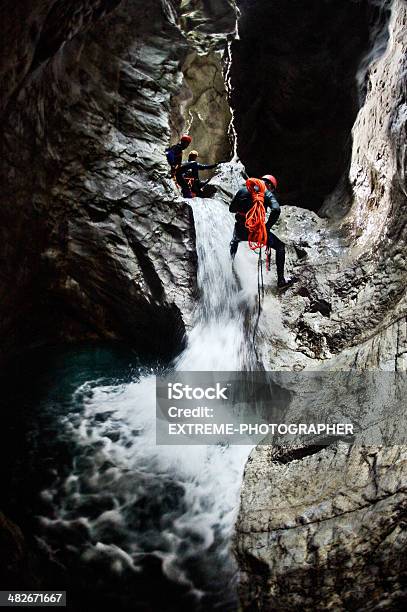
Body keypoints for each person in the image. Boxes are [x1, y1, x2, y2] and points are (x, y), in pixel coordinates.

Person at [229, 174, 294, 289]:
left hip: (241, 230)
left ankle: (228, 269)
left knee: (234, 242)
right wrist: (267, 227)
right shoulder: (267, 193)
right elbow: (276, 209)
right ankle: (281, 281)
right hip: (256, 232)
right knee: (280, 247)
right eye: (272, 188)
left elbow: (232, 209)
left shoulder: (243, 190)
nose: (271, 190)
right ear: (269, 184)